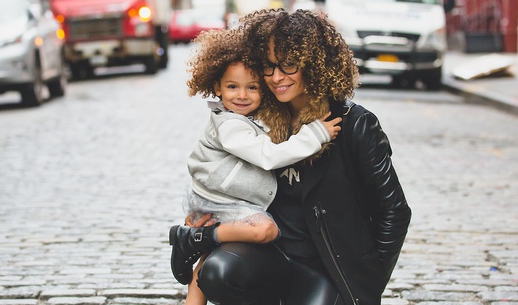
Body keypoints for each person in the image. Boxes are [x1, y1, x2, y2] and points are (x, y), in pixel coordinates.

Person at [190, 9, 412, 305]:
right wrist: (206, 223)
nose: (276, 77)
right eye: (268, 66)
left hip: (326, 267)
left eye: (289, 65)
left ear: (314, 63)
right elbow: (221, 176)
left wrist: (366, 283)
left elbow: (394, 212)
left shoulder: (354, 125)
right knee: (219, 272)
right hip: (269, 255)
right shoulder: (255, 119)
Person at [169, 28, 342, 305]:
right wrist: (316, 135)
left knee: (208, 255)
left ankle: (197, 244)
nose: (242, 96)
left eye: (252, 87)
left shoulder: (246, 119)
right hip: (222, 200)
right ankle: (193, 238)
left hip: (219, 198)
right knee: (266, 231)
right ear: (217, 87)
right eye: (232, 87)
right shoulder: (229, 125)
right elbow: (268, 156)